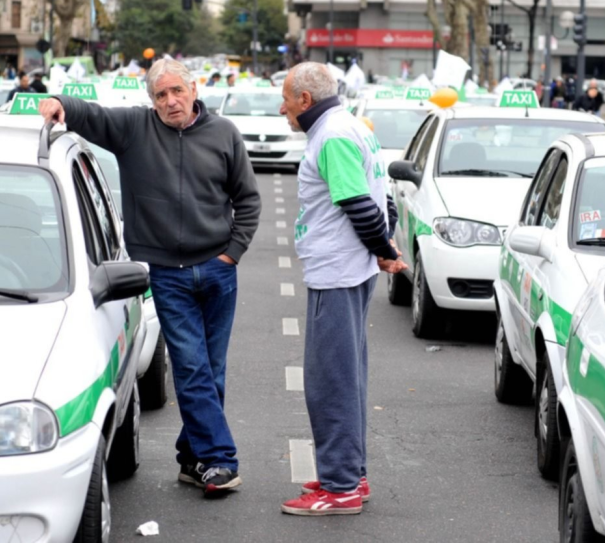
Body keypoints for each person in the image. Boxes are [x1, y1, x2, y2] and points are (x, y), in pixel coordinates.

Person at [39, 59, 261, 497]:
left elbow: (248, 200)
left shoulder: (224, 134)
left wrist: (230, 255)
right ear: (151, 100)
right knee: (192, 368)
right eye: (160, 95)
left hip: (218, 273)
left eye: (177, 91)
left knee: (211, 373)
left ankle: (191, 459)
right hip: (167, 275)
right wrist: (58, 102)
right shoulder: (135, 129)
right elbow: (92, 115)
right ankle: (220, 460)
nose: (170, 101)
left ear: (194, 89)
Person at [277, 62, 406, 517]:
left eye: (287, 100)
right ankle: (349, 473)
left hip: (337, 273)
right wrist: (383, 246)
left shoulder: (331, 136)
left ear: (305, 101)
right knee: (346, 378)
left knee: (330, 383)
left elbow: (358, 204)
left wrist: (384, 250)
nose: (282, 109)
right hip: (349, 270)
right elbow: (382, 197)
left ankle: (341, 486)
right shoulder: (352, 126)